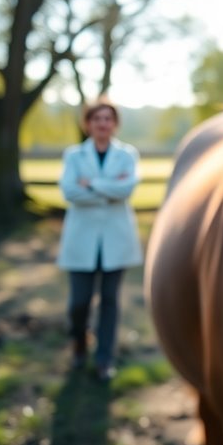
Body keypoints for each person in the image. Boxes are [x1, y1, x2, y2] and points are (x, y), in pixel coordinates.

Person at [57, 100, 142, 381]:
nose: (102, 124)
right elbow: (70, 192)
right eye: (97, 119)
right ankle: (79, 341)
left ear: (114, 124)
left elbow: (126, 189)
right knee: (78, 302)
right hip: (82, 241)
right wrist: (109, 188)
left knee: (109, 302)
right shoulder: (74, 156)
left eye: (107, 119)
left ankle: (105, 358)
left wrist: (91, 184)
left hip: (115, 240)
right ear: (88, 124)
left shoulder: (127, 155)